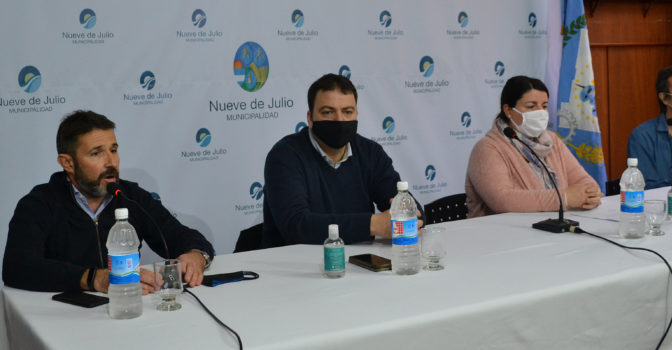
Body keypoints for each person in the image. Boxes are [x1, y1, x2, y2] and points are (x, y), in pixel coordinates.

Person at [2, 111, 214, 294]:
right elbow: (17, 267)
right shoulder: (39, 204)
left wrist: (196, 255)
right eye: (97, 153)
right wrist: (94, 278)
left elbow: (181, 236)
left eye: (113, 150)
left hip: (129, 307)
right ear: (67, 163)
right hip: (64, 318)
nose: (111, 162)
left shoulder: (131, 196)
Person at [262, 73, 423, 248]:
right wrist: (374, 224)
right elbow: (296, 226)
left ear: (356, 114)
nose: (339, 120)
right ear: (310, 118)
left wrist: (406, 217)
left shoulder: (370, 152)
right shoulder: (285, 156)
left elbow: (415, 214)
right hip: (293, 265)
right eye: (328, 112)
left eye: (347, 112)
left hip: (360, 261)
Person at [465, 76, 602, 217]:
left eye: (544, 106)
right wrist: (564, 198)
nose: (540, 112)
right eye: (531, 106)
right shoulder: (487, 148)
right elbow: (502, 200)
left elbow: (582, 179)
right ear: (508, 110)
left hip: (550, 227)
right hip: (500, 233)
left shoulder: (551, 140)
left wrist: (590, 193)